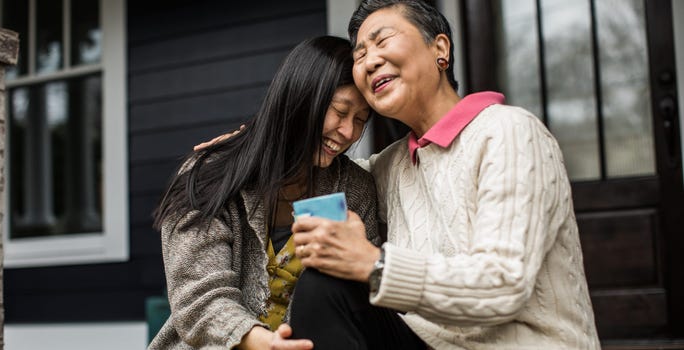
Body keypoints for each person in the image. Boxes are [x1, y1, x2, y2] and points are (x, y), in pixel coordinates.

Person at [287, 0, 601, 349]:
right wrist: (236, 147)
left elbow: (503, 284)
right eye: (360, 55)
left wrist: (374, 264)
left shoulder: (509, 132)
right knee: (324, 286)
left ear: (440, 49)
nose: (370, 60)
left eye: (382, 40)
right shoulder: (392, 166)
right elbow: (313, 167)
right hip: (426, 343)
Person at [148, 35, 381, 350]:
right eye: (340, 112)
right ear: (300, 99)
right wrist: (261, 342)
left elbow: (357, 298)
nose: (349, 133)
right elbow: (199, 298)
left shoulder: (354, 190)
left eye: (360, 121)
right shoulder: (210, 176)